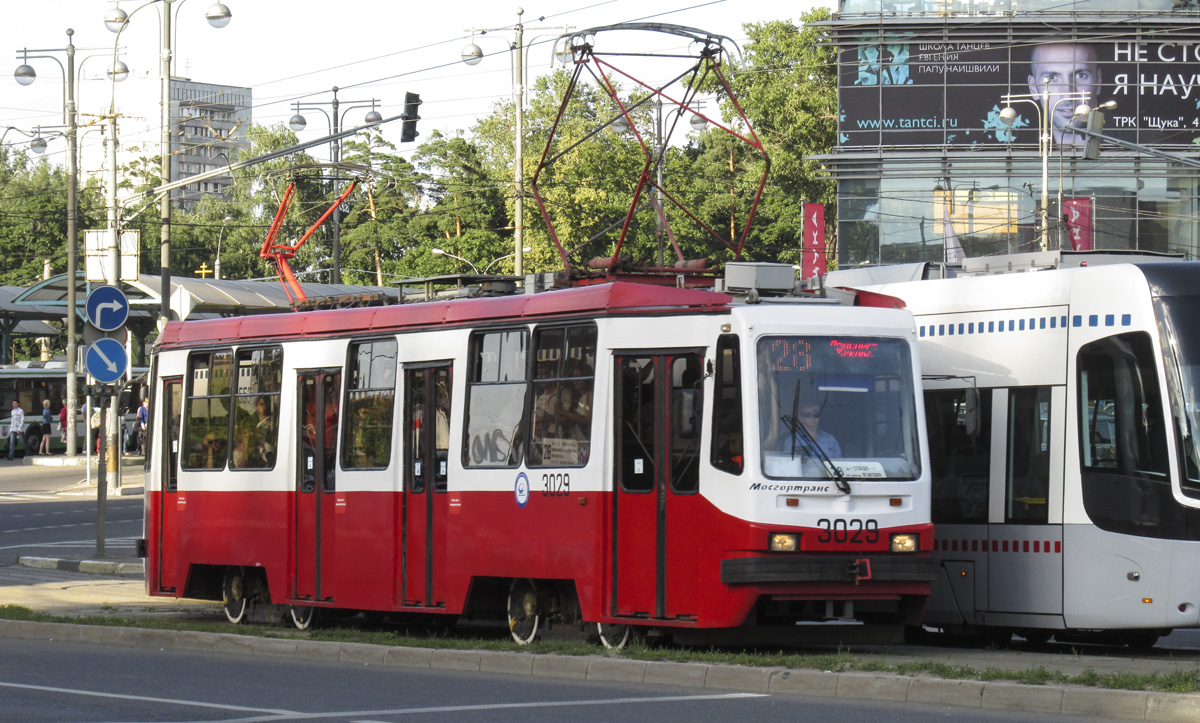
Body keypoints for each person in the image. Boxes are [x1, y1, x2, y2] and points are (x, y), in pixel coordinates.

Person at [1027, 42, 1102, 145]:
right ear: (1033, 88)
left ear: (1098, 81)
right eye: (1051, 78)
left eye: (1081, 75)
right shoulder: (1019, 148)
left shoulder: (1129, 143)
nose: (1068, 95)